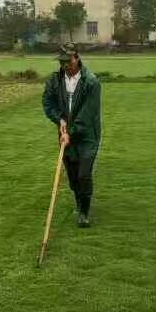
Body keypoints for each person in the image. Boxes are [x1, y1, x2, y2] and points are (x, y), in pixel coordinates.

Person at [42, 43, 101, 228]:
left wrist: (71, 132)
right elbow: (48, 102)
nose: (65, 65)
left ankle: (84, 212)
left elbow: (86, 114)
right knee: (74, 176)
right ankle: (79, 202)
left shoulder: (91, 82)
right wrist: (59, 120)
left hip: (86, 136)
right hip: (65, 133)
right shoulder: (54, 80)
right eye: (62, 62)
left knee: (84, 174)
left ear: (77, 58)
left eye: (68, 61)